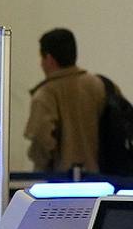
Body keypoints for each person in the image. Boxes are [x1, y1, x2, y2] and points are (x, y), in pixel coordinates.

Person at [25, 27, 107, 172]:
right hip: (100, 181)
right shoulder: (97, 84)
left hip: (61, 183)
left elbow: (41, 139)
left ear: (49, 59)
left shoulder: (45, 94)